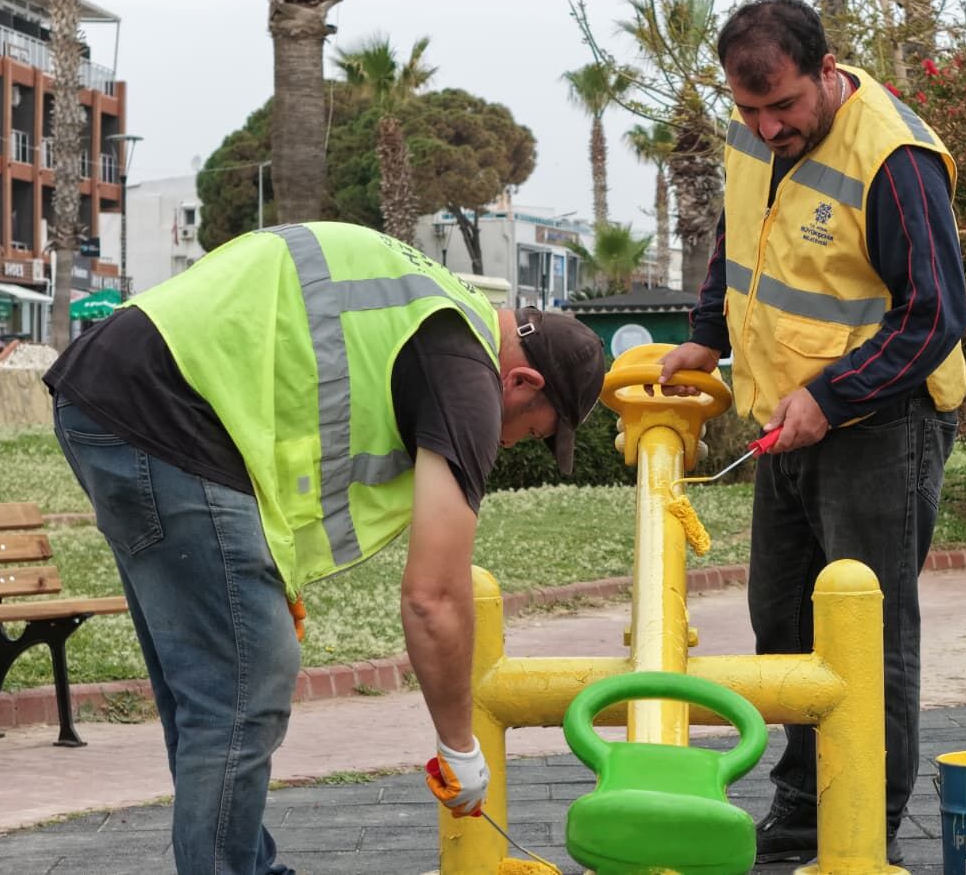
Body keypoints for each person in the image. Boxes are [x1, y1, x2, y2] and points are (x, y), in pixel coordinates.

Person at [44, 222, 605, 875]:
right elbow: (434, 598)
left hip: (124, 395)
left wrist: (273, 577)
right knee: (240, 688)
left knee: (217, 689)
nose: (517, 446)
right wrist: (459, 747)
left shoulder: (431, 312)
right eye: (538, 433)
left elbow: (278, 403)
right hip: (160, 409)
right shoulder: (466, 375)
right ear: (524, 382)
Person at [657, 0, 966, 865]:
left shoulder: (895, 155)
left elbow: (936, 314)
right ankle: (801, 823)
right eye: (749, 109)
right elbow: (741, 236)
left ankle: (863, 835)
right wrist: (707, 335)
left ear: (827, 71)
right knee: (782, 627)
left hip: (880, 423)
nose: (767, 127)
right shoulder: (748, 135)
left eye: (784, 106)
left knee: (865, 638)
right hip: (783, 424)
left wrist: (832, 397)